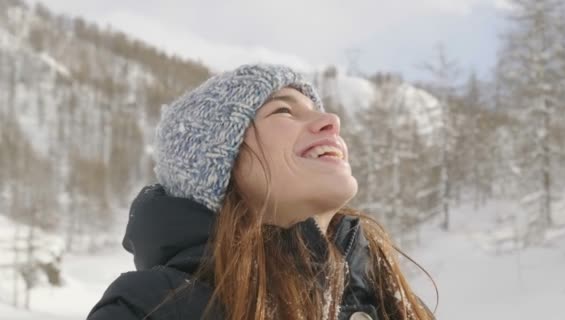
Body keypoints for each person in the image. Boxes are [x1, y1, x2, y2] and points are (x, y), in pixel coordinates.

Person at [86, 64, 436, 320]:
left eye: (317, 110)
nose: (332, 121)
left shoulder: (389, 300)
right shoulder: (152, 308)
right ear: (217, 162)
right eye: (284, 110)